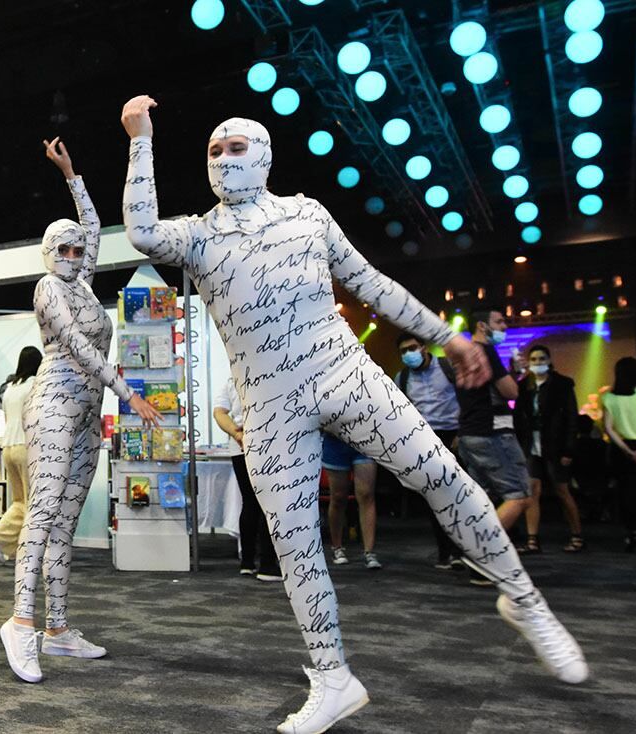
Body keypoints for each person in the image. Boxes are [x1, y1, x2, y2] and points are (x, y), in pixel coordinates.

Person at [119, 97, 586, 734]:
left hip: (344, 373)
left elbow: (371, 283)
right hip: (268, 403)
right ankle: (332, 677)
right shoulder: (198, 235)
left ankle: (525, 600)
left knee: (445, 478)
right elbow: (143, 233)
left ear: (266, 155)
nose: (225, 160)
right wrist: (140, 138)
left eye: (237, 147)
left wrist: (450, 338)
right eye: (214, 151)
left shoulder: (308, 215)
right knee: (297, 548)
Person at [0, 137, 161, 684]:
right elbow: (77, 347)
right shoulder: (50, 288)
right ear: (48, 255)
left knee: (65, 522)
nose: (72, 257)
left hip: (86, 412)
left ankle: (58, 628)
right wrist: (127, 391)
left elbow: (91, 226)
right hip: (54, 406)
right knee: (42, 514)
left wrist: (72, 174)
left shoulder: (85, 287)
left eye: (75, 252)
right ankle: (21, 623)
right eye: (62, 250)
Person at [454, 309, 533, 575]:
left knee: (483, 501)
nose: (504, 326)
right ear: (482, 325)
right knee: (519, 496)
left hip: (470, 435)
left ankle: (476, 557)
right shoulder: (486, 352)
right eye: (499, 322)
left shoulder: (464, 353)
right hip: (493, 433)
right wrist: (517, 376)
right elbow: (510, 391)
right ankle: (482, 554)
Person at [394, 332, 464, 569]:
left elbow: (466, 399)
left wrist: (462, 433)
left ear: (423, 347)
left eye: (412, 348)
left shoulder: (446, 367)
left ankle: (462, 550)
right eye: (403, 351)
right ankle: (446, 553)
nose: (408, 354)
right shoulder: (402, 378)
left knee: (460, 496)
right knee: (435, 499)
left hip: (454, 435)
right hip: (425, 440)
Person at [514, 345, 585, 553]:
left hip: (555, 444)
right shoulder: (524, 385)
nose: (538, 363)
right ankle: (532, 539)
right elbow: (518, 416)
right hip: (531, 444)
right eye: (534, 359)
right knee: (532, 490)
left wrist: (569, 449)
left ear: (549, 359)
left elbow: (572, 418)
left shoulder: (562, 384)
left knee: (562, 490)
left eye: (541, 358)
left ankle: (577, 535)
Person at [213, 376, 280, 581]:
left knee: (250, 502)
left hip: (239, 446)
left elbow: (219, 413)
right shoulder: (271, 373)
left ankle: (248, 561)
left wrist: (237, 434)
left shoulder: (231, 379)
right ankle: (268, 564)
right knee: (269, 504)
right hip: (268, 443)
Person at [0, 346, 43, 562]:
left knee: (20, 502)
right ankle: (30, 552)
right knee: (35, 504)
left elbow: (8, 419)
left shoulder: (10, 389)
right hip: (27, 448)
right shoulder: (36, 385)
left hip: (8, 447)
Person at [600, 356, 636, 551]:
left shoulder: (608, 397)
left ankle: (633, 533)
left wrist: (627, 450)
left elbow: (608, 428)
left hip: (622, 450)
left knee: (627, 493)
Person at [322, 434, 381, 570]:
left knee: (367, 495)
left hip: (364, 439)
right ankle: (337, 548)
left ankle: (369, 552)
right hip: (335, 441)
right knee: (338, 497)